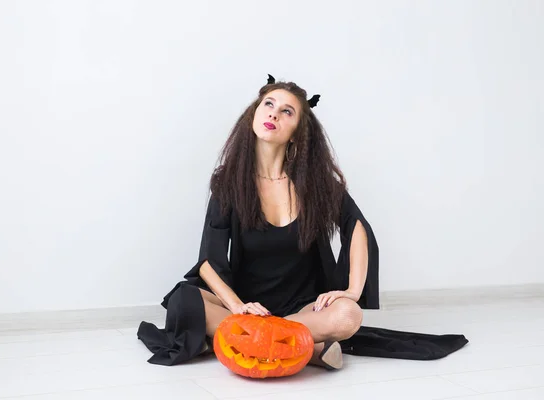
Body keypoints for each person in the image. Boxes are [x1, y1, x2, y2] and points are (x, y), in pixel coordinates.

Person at [137, 75, 466, 370]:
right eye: (269, 104)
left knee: (348, 314)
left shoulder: (316, 185)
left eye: (286, 111)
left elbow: (357, 226)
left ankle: (257, 342)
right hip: (246, 306)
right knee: (184, 300)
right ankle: (302, 348)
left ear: (297, 133)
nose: (273, 114)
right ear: (255, 112)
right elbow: (208, 261)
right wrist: (238, 308)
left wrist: (351, 291)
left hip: (303, 308)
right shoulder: (229, 182)